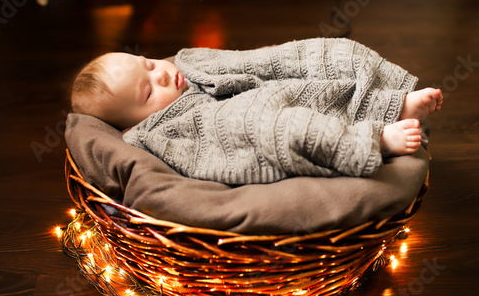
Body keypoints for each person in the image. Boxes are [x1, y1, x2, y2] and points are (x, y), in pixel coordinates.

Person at [71, 38, 443, 185]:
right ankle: (375, 139)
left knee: (313, 62)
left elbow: (256, 61)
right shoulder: (166, 130)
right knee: (284, 123)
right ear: (138, 120)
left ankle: (390, 100)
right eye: (149, 90)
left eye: (148, 63)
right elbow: (239, 129)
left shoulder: (188, 64)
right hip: (253, 116)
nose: (163, 73)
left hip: (274, 90)